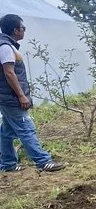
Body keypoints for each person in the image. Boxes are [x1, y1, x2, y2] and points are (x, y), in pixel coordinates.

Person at [0, 14, 65, 173]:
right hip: (11, 97)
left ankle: (8, 164)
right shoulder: (6, 47)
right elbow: (9, 73)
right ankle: (43, 161)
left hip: (6, 97)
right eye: (23, 28)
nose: (24, 30)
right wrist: (21, 95)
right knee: (25, 128)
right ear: (15, 30)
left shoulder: (7, 45)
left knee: (7, 131)